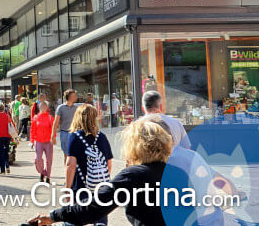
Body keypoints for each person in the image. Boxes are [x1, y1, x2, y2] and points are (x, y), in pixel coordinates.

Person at [29, 118, 175, 225]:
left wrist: (54, 216)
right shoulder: (177, 173)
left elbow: (93, 207)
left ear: (135, 146)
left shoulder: (134, 175)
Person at [65, 104, 113, 225]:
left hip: (80, 187)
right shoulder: (102, 137)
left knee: (75, 218)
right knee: (100, 218)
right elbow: (109, 163)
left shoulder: (74, 137)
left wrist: (67, 188)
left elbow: (71, 165)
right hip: (99, 188)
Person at [51, 89, 79, 161]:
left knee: (76, 154)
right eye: (74, 96)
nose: (76, 97)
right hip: (65, 133)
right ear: (69, 97)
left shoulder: (77, 108)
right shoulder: (61, 108)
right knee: (66, 155)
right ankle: (67, 170)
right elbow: (56, 122)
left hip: (75, 133)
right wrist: (53, 135)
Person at [31, 101, 54, 183]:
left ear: (47, 108)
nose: (44, 108)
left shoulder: (50, 118)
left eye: (45, 106)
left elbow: (53, 129)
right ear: (39, 108)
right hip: (39, 141)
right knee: (38, 159)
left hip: (48, 142)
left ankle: (48, 177)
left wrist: (53, 138)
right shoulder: (36, 118)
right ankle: (42, 173)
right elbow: (32, 130)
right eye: (42, 106)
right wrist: (32, 141)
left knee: (49, 160)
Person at [0, 101, 15, 175]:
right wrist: (13, 136)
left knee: (0, 153)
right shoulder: (7, 116)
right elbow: (12, 125)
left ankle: (2, 170)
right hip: (7, 137)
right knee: (6, 151)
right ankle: (7, 166)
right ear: (3, 108)